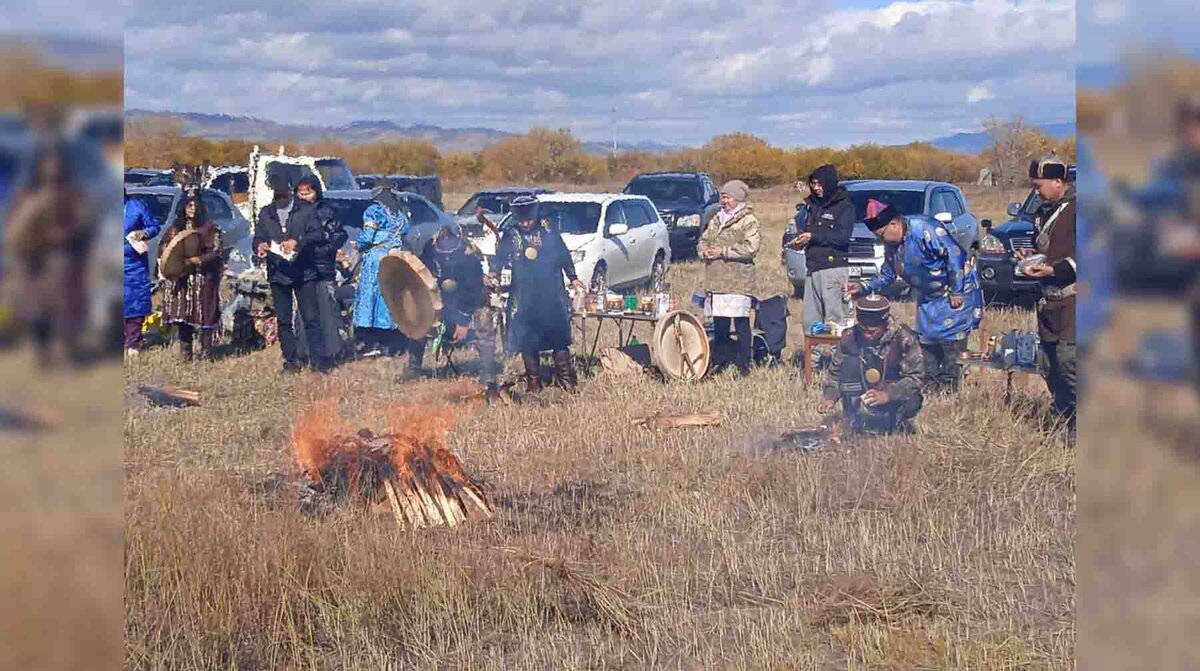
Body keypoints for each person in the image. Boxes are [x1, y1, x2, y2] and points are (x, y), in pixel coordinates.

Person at [849, 201, 983, 392]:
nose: (881, 240)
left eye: (881, 235)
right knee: (926, 349)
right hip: (928, 299)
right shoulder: (892, 246)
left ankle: (949, 390)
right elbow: (887, 275)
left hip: (952, 294)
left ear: (894, 225)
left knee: (950, 348)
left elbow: (955, 255)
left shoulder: (924, 229)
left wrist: (957, 290)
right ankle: (930, 390)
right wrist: (862, 287)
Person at [2, 143, 91, 367]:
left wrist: (64, 235)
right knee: (35, 307)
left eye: (55, 166)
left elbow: (83, 222)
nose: (51, 170)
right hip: (33, 258)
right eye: (47, 166)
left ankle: (68, 350)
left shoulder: (72, 195)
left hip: (62, 257)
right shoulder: (29, 195)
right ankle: (42, 352)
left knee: (64, 306)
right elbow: (16, 226)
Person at [489, 194, 586, 392]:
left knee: (558, 337)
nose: (525, 223)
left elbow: (562, 253)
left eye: (529, 219)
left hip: (551, 291)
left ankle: (566, 380)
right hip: (524, 295)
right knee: (527, 338)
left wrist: (573, 277)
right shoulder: (511, 234)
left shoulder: (548, 228)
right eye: (521, 219)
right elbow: (500, 258)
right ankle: (534, 382)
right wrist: (493, 274)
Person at [403, 223, 501, 399]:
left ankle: (488, 372)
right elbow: (422, 278)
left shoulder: (469, 258)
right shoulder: (430, 252)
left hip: (470, 303)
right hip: (440, 302)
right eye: (442, 242)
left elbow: (474, 292)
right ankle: (413, 367)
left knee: (484, 317)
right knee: (417, 315)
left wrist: (463, 323)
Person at [1016, 156, 1077, 429]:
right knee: (1049, 365)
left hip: (1075, 300)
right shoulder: (1044, 210)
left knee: (1070, 364)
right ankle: (1065, 418)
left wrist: (1053, 271)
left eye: (1038, 185)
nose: (1036, 191)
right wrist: (1031, 257)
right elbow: (1049, 249)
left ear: (1057, 182)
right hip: (1048, 302)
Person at [253, 171, 330, 373]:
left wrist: (298, 241)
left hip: (304, 270)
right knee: (284, 319)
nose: (281, 196)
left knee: (311, 318)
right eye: (277, 192)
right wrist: (260, 246)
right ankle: (290, 361)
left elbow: (318, 234)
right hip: (278, 271)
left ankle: (318, 362)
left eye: (284, 191)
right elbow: (258, 237)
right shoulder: (265, 213)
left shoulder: (305, 210)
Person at [819, 295, 924, 435]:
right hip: (860, 392)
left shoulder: (904, 337)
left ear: (885, 324)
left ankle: (896, 425)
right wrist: (830, 395)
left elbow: (916, 378)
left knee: (913, 399)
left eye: (872, 332)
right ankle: (854, 422)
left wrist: (887, 394)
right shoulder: (850, 337)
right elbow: (836, 374)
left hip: (892, 394)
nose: (867, 335)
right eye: (863, 330)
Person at [698, 179, 761, 376]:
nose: (724, 201)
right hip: (716, 280)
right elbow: (703, 239)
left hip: (738, 280)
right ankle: (721, 359)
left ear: (738, 198)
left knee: (741, 323)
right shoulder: (717, 218)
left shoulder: (749, 220)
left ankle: (744, 364)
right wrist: (704, 251)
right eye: (723, 196)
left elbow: (751, 248)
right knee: (720, 323)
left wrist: (723, 252)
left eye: (728, 197)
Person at [158, 190, 223, 361]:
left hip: (203, 277)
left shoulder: (209, 228)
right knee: (183, 315)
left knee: (205, 313)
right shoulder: (176, 227)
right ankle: (185, 353)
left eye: (195, 205)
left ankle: (206, 353)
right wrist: (168, 257)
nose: (192, 209)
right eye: (189, 205)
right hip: (182, 278)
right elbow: (164, 247)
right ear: (183, 208)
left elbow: (216, 251)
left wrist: (198, 259)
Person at [791, 164, 854, 336]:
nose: (816, 188)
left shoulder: (844, 206)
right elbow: (807, 229)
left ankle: (837, 360)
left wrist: (814, 237)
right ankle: (813, 361)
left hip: (833, 269)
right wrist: (801, 240)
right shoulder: (812, 206)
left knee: (835, 321)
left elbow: (842, 237)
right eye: (813, 184)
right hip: (813, 268)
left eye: (820, 184)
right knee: (811, 322)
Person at [295, 175, 348, 365]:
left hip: (323, 268)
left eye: (308, 192)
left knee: (326, 310)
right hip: (301, 268)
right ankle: (304, 352)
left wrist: (325, 249)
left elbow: (340, 235)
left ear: (316, 192)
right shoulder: (294, 212)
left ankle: (330, 353)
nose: (304, 196)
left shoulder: (327, 211)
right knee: (303, 313)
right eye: (300, 193)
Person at [352, 187, 411, 357]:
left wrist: (359, 245)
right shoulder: (399, 215)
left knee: (372, 296)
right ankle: (392, 341)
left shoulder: (374, 211)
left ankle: (372, 340)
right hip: (395, 258)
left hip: (377, 258)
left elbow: (368, 236)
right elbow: (406, 233)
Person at [123, 187, 161, 358]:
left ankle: (133, 342)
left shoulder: (137, 206)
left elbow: (154, 226)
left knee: (135, 300)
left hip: (134, 262)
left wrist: (144, 233)